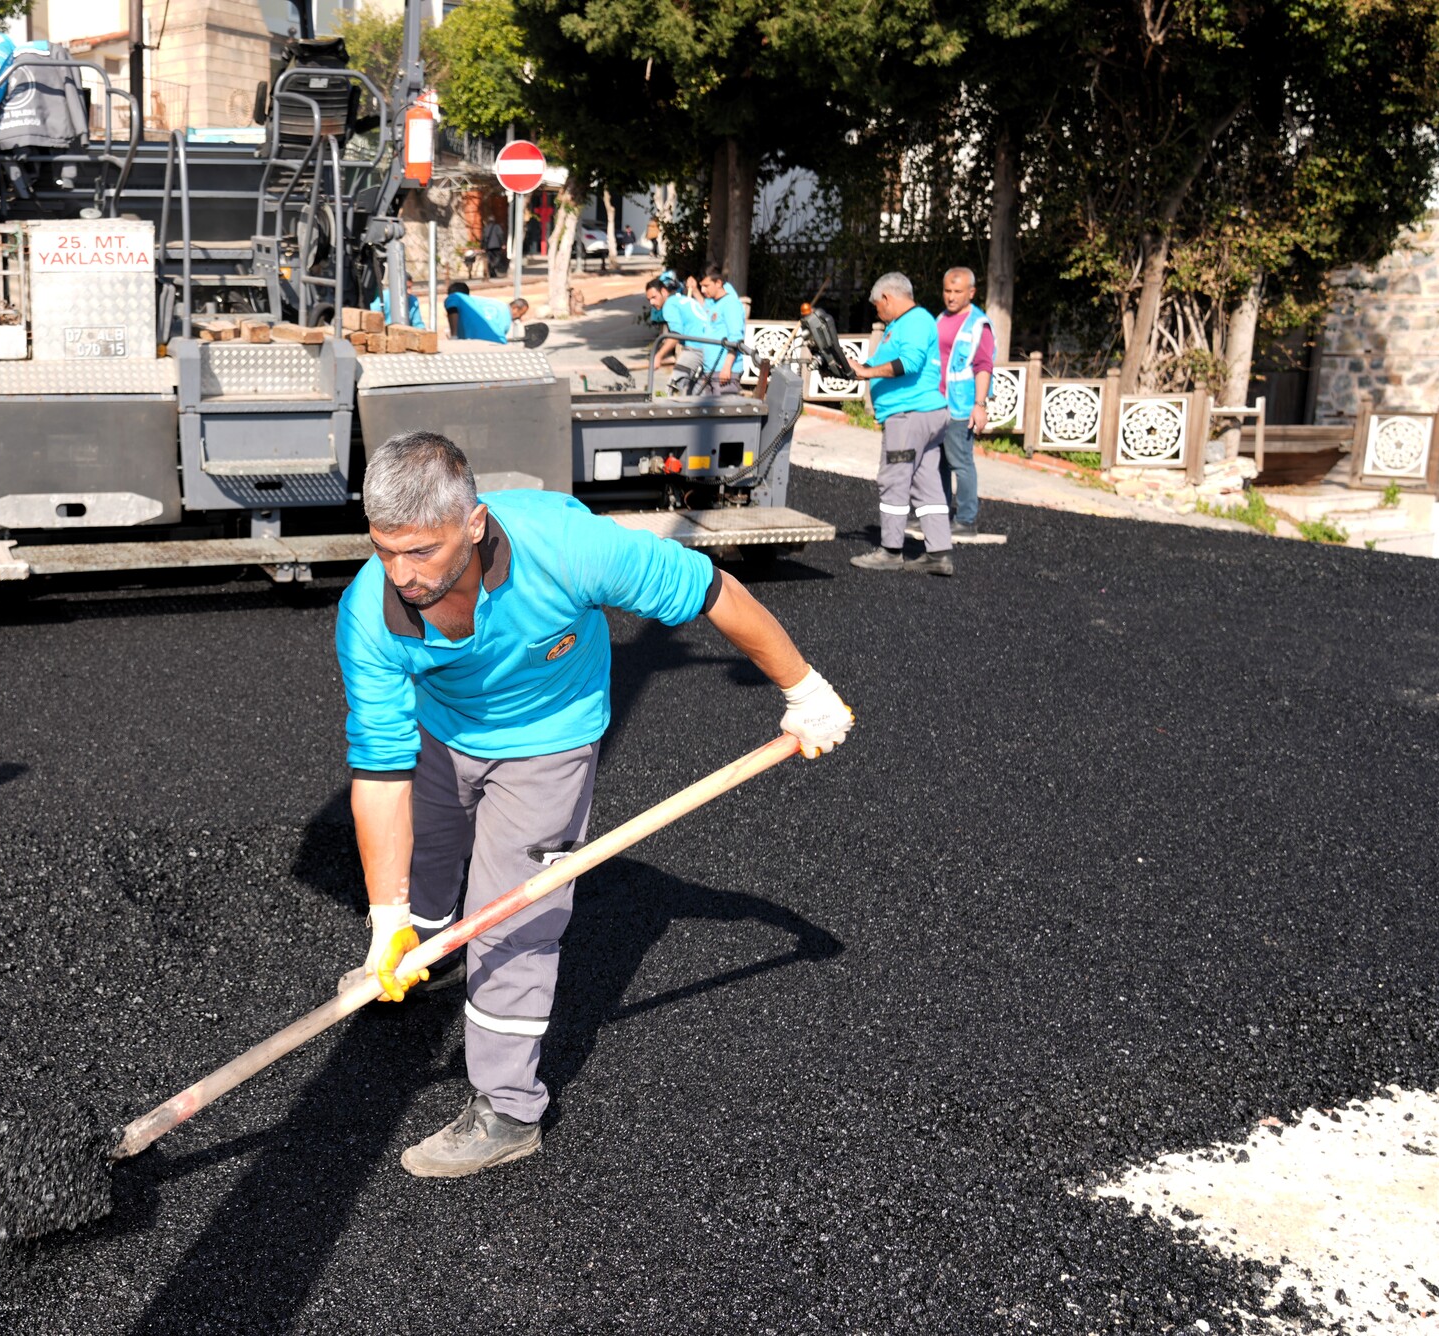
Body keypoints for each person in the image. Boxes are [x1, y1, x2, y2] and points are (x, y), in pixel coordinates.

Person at [335, 431, 854, 1177]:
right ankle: (420, 950)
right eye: (386, 550)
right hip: (442, 731)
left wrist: (804, 690)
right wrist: (386, 923)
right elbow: (380, 773)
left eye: (423, 552)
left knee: (513, 913)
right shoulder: (367, 611)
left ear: (473, 524)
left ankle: (509, 1109)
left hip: (551, 737)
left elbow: (715, 592)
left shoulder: (569, 547)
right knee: (423, 866)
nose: (403, 574)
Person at [846, 271, 956, 575]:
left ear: (887, 298)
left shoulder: (916, 320)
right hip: (922, 415)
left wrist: (867, 373)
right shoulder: (902, 325)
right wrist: (856, 368)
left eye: (877, 307)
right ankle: (938, 554)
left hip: (909, 416)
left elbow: (910, 363)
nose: (877, 312)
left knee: (894, 479)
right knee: (927, 483)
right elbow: (877, 363)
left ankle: (890, 551)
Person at [936, 266, 996, 541]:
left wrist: (979, 404)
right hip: (937, 403)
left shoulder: (978, 324)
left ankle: (966, 519)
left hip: (961, 406)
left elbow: (984, 365)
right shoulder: (940, 319)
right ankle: (940, 514)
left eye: (957, 291)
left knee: (960, 462)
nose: (951, 296)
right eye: (947, 290)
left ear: (971, 292)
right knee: (939, 463)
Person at [693, 266, 749, 386]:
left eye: (706, 286)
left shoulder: (730, 303)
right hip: (709, 370)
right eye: (701, 286)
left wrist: (727, 367)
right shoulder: (713, 303)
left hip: (724, 372)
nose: (702, 290)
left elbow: (735, 339)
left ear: (718, 283)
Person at [443, 281, 523, 343]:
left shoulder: (455, 297)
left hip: (481, 343)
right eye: (521, 314)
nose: (520, 318)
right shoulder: (498, 308)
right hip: (496, 344)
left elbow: (453, 302)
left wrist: (453, 336)